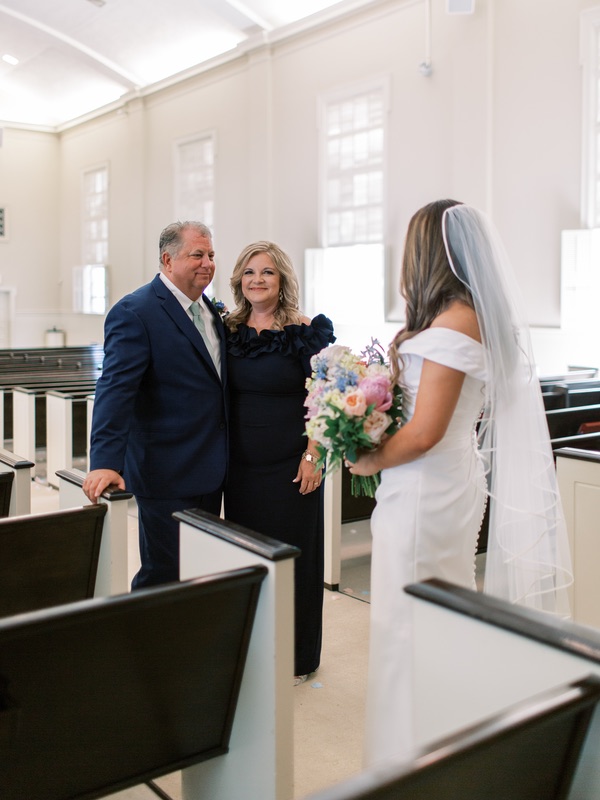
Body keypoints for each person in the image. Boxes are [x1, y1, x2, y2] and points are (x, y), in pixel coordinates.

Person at [347, 199, 573, 766]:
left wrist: (369, 459)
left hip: (426, 489)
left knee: (409, 620)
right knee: (435, 610)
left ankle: (410, 757)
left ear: (426, 253)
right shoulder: (470, 317)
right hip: (449, 482)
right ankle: (439, 743)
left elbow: (424, 433)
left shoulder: (452, 326)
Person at [82, 221, 228, 589]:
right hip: (166, 472)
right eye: (197, 254)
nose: (207, 263)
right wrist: (104, 462)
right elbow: (115, 389)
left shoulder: (211, 311)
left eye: (210, 255)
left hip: (212, 468)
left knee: (200, 571)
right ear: (167, 259)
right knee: (164, 575)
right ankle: (147, 643)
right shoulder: (136, 311)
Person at [223, 241, 335, 683]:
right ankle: (253, 649)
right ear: (238, 280)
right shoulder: (228, 330)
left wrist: (314, 453)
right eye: (249, 272)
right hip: (242, 468)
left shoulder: (306, 331)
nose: (257, 280)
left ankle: (295, 657)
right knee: (248, 558)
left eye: (267, 272)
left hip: (292, 466)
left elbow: (326, 401)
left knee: (294, 560)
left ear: (283, 279)